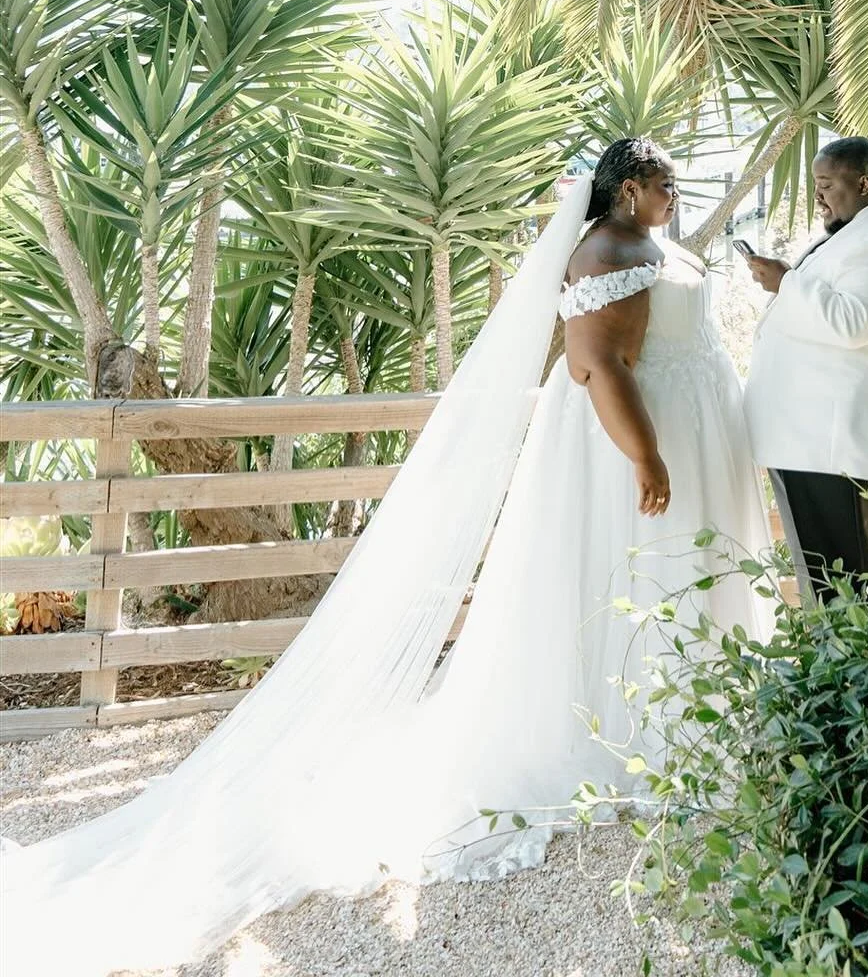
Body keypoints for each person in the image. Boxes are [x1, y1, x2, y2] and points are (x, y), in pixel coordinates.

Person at [0, 139, 771, 977]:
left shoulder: (652, 245)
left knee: (665, 579)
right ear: (626, 191)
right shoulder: (609, 250)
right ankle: (625, 728)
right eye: (665, 184)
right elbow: (596, 362)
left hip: (683, 433)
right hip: (628, 450)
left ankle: (676, 710)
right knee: (623, 574)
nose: (675, 195)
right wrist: (646, 456)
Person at [741, 135, 868, 603]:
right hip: (813, 445)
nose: (819, 196)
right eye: (816, 185)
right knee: (827, 583)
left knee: (846, 589)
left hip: (838, 449)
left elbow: (852, 322)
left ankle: (846, 675)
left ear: (864, 183)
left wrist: (786, 282)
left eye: (827, 185)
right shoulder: (858, 230)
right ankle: (833, 673)